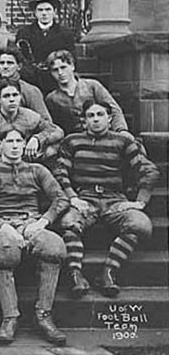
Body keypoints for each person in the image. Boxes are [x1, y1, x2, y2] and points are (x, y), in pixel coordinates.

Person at [55, 100, 159, 298]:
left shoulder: (123, 142)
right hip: (84, 198)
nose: (95, 119)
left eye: (100, 114)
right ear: (84, 120)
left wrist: (140, 201)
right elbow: (60, 172)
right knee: (68, 222)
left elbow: (149, 171)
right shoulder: (72, 141)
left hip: (114, 200)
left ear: (109, 118)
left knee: (140, 225)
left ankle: (108, 272)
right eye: (90, 116)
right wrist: (72, 197)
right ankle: (75, 273)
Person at [0, 127, 69, 345]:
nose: (15, 145)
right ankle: (10, 317)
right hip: (3, 225)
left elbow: (61, 198)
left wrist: (42, 222)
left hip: (32, 222)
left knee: (54, 246)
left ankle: (43, 315)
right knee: (5, 252)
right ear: (0, 144)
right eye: (9, 141)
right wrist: (3, 226)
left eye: (19, 141)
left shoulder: (37, 170)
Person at [0, 78, 63, 166]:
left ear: (20, 97)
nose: (12, 99)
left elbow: (56, 130)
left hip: (27, 156)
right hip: (1, 157)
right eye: (6, 96)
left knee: (52, 149)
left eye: (15, 95)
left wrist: (37, 139)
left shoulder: (30, 116)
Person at [45, 49, 132, 137]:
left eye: (63, 67)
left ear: (72, 66)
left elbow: (114, 109)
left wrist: (121, 130)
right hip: (74, 140)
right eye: (55, 70)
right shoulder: (52, 98)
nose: (60, 73)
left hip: (101, 135)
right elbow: (53, 125)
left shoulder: (92, 86)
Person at [16, 0, 75, 94]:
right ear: (35, 13)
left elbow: (71, 58)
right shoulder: (24, 32)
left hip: (56, 80)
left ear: (54, 12)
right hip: (31, 80)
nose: (44, 13)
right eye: (40, 10)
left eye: (48, 9)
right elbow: (20, 57)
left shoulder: (65, 33)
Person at [0, 47, 51, 121]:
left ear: (19, 66)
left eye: (10, 63)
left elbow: (46, 121)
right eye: (2, 63)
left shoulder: (31, 91)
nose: (5, 66)